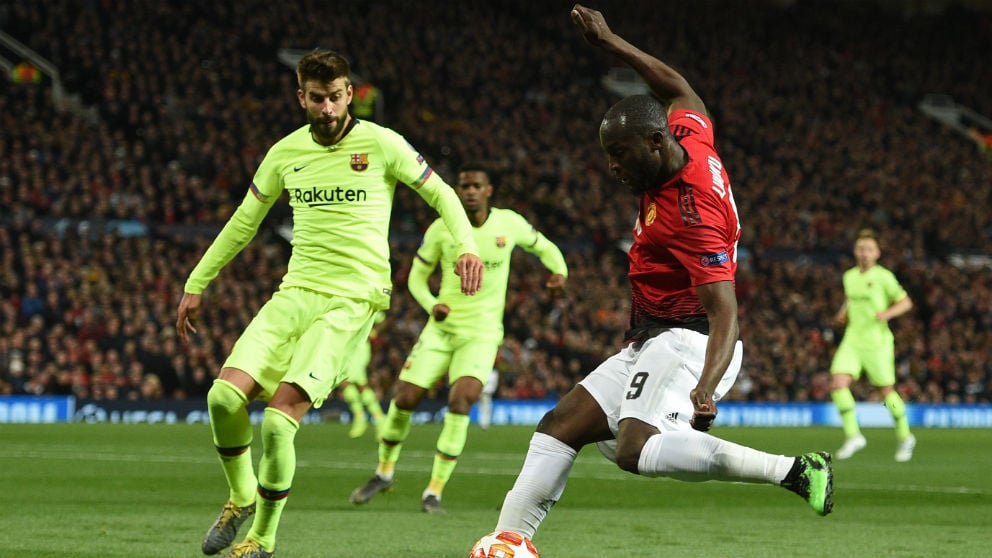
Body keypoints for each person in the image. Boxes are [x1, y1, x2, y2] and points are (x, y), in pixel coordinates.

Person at [489, 5, 835, 543]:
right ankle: (507, 545)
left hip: (691, 339)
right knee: (560, 425)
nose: (612, 167)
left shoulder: (691, 216)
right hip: (652, 336)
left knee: (633, 448)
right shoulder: (688, 139)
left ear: (653, 144)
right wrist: (610, 42)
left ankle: (794, 469)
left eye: (619, 154)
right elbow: (680, 89)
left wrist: (705, 387)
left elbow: (726, 312)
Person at [176, 49, 484, 558]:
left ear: (350, 94)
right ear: (302, 97)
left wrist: (468, 247)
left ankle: (263, 540)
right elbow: (243, 222)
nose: (327, 108)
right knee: (221, 399)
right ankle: (240, 496)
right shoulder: (285, 153)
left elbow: (444, 194)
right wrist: (197, 281)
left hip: (353, 297)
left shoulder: (382, 144)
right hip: (295, 291)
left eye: (336, 97)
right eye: (316, 98)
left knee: (278, 423)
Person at [349, 162, 568, 514]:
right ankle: (384, 472)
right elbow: (415, 279)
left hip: (481, 334)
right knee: (403, 398)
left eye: (475, 185)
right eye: (463, 185)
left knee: (461, 400)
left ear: (488, 190)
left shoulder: (508, 224)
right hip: (441, 330)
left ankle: (433, 492)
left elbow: (544, 247)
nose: (468, 191)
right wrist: (431, 304)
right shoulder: (441, 228)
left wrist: (560, 272)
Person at [830, 228, 916, 461]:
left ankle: (905, 436)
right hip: (853, 338)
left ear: (877, 253)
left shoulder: (884, 276)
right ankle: (853, 435)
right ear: (855, 251)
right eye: (860, 249)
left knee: (886, 392)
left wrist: (887, 313)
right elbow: (850, 299)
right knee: (838, 383)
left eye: (869, 249)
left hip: (877, 341)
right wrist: (842, 314)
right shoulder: (849, 276)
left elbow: (906, 302)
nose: (864, 253)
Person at [340, 311, 388, 439]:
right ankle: (379, 419)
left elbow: (384, 320)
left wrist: (373, 333)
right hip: (347, 347)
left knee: (345, 382)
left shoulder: (366, 304)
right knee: (357, 385)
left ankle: (361, 417)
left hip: (359, 348)